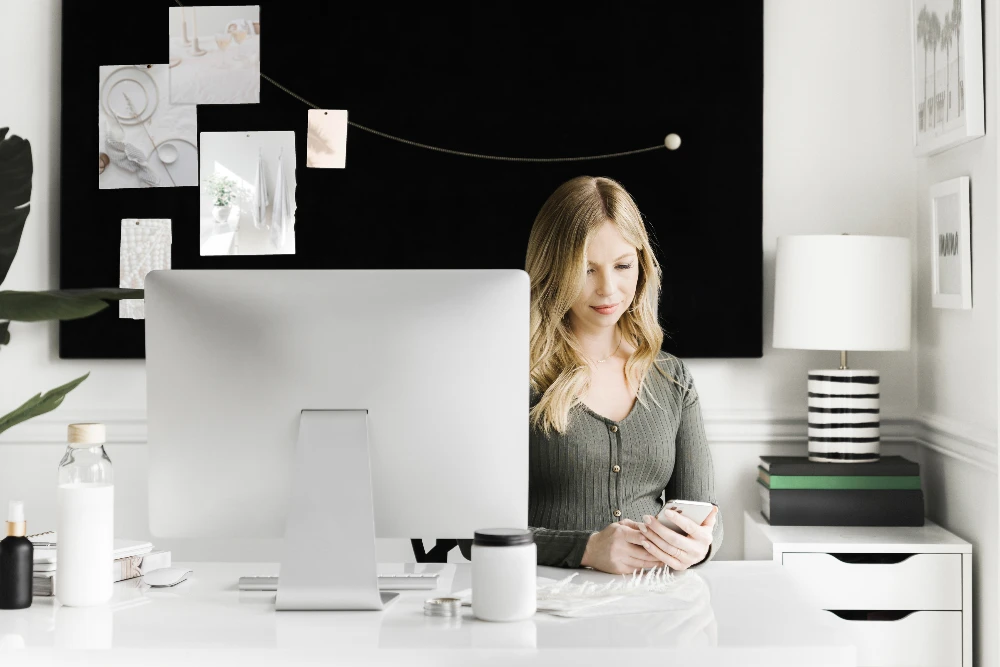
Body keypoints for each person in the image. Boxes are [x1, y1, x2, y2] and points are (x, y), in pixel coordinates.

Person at [525, 176, 723, 575]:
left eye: (622, 266)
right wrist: (586, 549)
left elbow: (704, 519)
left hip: (655, 613)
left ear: (642, 264)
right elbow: (474, 534)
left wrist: (699, 547)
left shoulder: (672, 378)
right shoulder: (518, 377)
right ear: (554, 269)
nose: (608, 289)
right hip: (546, 612)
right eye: (586, 270)